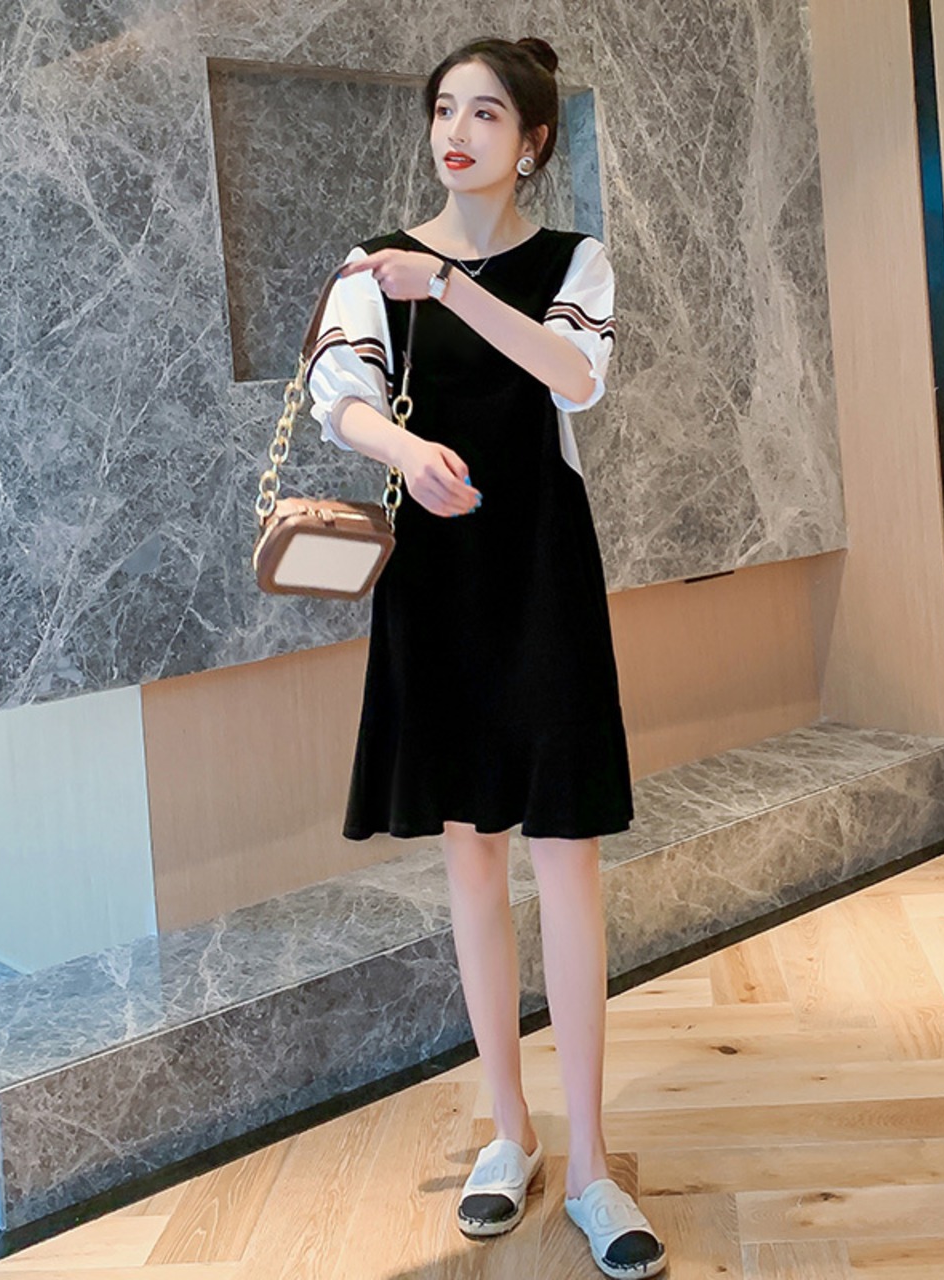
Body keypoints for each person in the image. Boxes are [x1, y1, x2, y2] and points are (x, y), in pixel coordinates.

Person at [297, 35, 667, 1279]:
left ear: (532, 141)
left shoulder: (573, 260)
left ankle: (595, 1162)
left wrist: (448, 286)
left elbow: (573, 375)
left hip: (541, 572)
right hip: (437, 581)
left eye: (486, 113)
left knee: (566, 853)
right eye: (444, 109)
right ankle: (508, 1130)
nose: (456, 132)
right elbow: (338, 392)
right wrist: (402, 453)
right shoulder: (372, 262)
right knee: (469, 853)